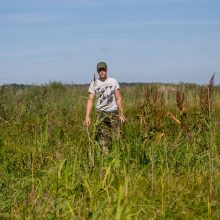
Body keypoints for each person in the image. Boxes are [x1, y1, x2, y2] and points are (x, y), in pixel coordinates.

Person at [85, 61, 126, 154]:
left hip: (113, 112)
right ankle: (105, 160)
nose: (102, 72)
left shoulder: (113, 81)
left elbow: (118, 98)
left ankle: (117, 156)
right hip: (101, 114)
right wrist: (87, 116)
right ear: (97, 71)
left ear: (107, 70)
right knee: (103, 139)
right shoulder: (94, 83)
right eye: (100, 70)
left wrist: (121, 114)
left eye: (103, 69)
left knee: (117, 137)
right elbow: (90, 100)